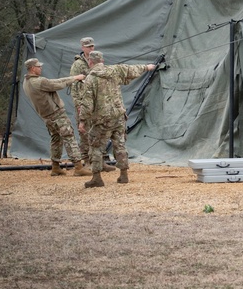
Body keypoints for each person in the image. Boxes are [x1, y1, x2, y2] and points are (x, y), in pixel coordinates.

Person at [81, 50, 156, 188]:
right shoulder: (114, 70)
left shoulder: (90, 79)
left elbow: (87, 104)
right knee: (120, 144)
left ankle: (97, 178)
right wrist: (148, 67)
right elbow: (132, 69)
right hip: (119, 116)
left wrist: (82, 120)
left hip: (102, 119)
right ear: (102, 61)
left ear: (90, 62)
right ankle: (123, 175)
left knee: (96, 146)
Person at [21, 58, 89, 176]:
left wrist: (74, 78)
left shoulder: (26, 82)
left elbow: (54, 81)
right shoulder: (39, 82)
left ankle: (55, 167)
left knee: (56, 139)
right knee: (69, 137)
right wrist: (75, 78)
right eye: (38, 67)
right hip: (57, 115)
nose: (40, 68)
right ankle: (78, 167)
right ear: (32, 68)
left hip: (47, 117)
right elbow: (57, 83)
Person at [69, 36, 114, 172]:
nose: (91, 48)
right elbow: (74, 85)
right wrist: (78, 105)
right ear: (82, 48)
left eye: (92, 46)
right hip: (84, 103)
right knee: (85, 134)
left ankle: (101, 161)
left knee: (100, 132)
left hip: (98, 104)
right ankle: (87, 161)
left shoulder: (97, 61)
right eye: (88, 46)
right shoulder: (78, 65)